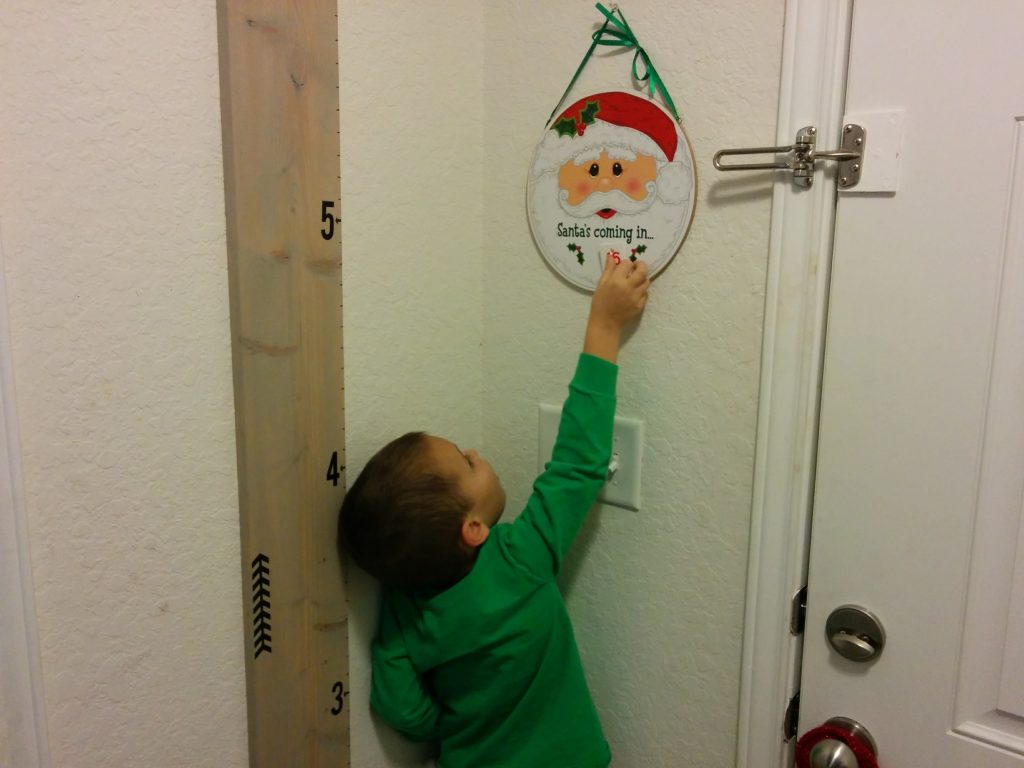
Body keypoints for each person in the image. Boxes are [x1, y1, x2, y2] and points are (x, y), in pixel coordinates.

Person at [338, 255, 650, 768]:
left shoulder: (403, 606)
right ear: (474, 529)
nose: (476, 453)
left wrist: (447, 725)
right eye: (466, 461)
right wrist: (605, 325)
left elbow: (397, 705)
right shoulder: (520, 559)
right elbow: (578, 462)